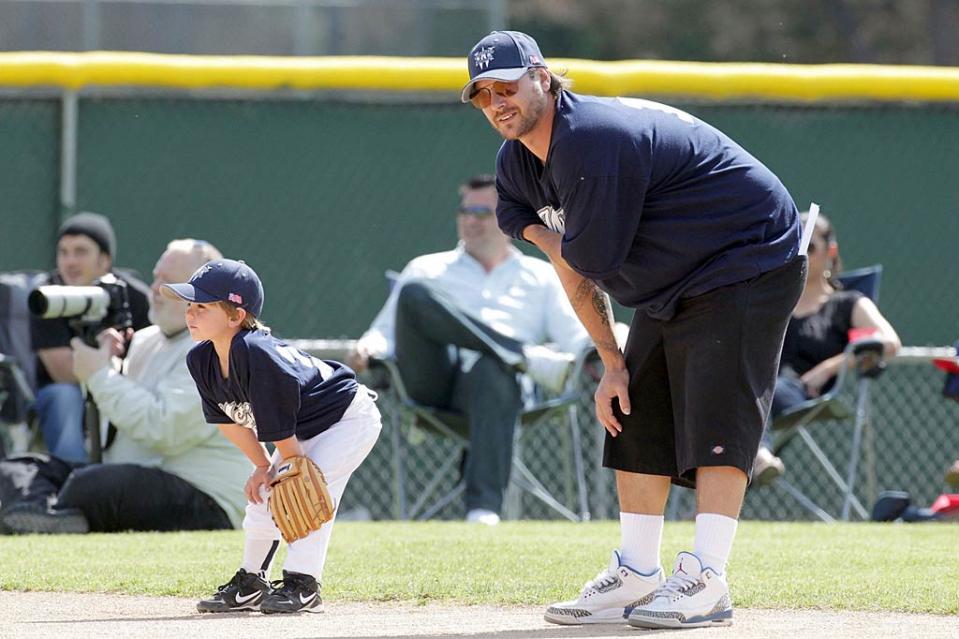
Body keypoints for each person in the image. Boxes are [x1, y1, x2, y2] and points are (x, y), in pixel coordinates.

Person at [461, 31, 805, 629]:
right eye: (482, 94)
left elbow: (584, 266)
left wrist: (561, 249)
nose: (496, 102)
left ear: (542, 77)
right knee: (636, 407)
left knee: (718, 414)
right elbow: (564, 259)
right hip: (675, 275)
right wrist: (611, 362)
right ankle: (639, 573)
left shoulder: (591, 140)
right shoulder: (516, 160)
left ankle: (707, 577)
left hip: (748, 255)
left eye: (506, 86)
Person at [347, 174, 590, 526]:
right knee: (414, 293)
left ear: (509, 217)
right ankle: (519, 354)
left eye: (482, 211)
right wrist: (367, 347)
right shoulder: (427, 268)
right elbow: (383, 334)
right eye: (465, 210)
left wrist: (614, 339)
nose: (470, 219)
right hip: (438, 386)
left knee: (493, 367)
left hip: (506, 391)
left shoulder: (541, 275)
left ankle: (483, 512)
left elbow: (576, 338)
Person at [161, 258, 381, 614]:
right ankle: (251, 582)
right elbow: (229, 421)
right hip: (302, 426)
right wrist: (263, 467)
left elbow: (279, 423)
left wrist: (289, 466)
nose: (191, 313)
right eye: (189, 305)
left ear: (235, 315)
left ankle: (303, 584)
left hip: (346, 419)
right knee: (267, 493)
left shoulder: (257, 353)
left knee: (304, 492)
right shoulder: (200, 359)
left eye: (202, 306)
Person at [0, 239, 249, 534]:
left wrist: (99, 375)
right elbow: (116, 421)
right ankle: (46, 518)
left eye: (168, 282)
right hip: (139, 477)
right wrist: (108, 364)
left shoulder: (220, 350)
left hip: (207, 496)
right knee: (18, 469)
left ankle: (52, 516)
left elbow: (164, 429)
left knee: (93, 485)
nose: (155, 288)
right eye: (156, 276)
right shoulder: (146, 340)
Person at [753, 212, 901, 485]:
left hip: (804, 393)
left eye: (809, 247)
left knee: (755, 391)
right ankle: (745, 467)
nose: (801, 255)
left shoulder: (847, 304)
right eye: (794, 245)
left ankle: (756, 455)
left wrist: (829, 368)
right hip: (757, 387)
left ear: (830, 251)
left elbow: (889, 341)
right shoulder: (774, 303)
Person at [30, 212, 151, 462]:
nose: (70, 261)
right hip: (65, 396)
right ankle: (74, 481)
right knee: (64, 395)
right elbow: (63, 372)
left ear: (104, 260)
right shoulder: (46, 298)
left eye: (80, 252)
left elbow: (154, 356)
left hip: (124, 391)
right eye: (63, 252)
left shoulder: (133, 296)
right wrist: (107, 357)